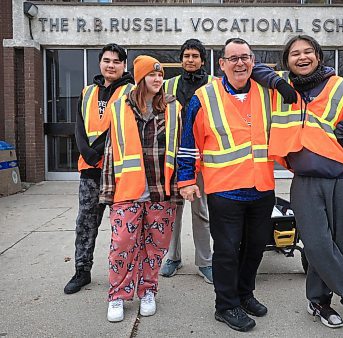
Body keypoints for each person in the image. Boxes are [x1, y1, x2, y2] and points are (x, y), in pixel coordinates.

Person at [268, 35, 343, 329]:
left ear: (319, 57)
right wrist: (277, 80)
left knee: (336, 243)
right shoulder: (281, 89)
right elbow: (256, 69)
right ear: (287, 61)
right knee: (317, 244)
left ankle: (318, 300)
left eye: (308, 51)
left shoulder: (341, 87)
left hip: (342, 178)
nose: (302, 57)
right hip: (306, 179)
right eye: (295, 53)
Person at [177, 38, 279, 332]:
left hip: (261, 188)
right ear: (221, 64)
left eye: (245, 57)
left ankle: (245, 294)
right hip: (225, 190)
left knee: (256, 247)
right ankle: (225, 305)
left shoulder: (266, 94)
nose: (239, 63)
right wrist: (186, 179)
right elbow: (188, 142)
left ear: (253, 61)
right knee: (226, 250)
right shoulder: (203, 97)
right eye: (232, 58)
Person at [99, 55, 182, 322]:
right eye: (152, 74)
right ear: (140, 78)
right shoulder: (120, 108)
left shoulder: (172, 107)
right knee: (122, 243)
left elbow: (179, 150)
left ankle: (148, 290)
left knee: (156, 247)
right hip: (128, 191)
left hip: (161, 190)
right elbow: (111, 152)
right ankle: (117, 295)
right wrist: (108, 192)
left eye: (160, 74)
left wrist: (179, 189)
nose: (158, 79)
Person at [64, 43, 134, 295]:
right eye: (107, 60)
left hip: (119, 173)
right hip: (90, 171)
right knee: (86, 224)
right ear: (100, 63)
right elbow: (79, 126)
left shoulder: (131, 92)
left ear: (124, 65)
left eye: (116, 61)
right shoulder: (87, 92)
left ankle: (122, 272)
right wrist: (88, 153)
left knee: (123, 228)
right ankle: (82, 271)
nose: (111, 65)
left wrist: (98, 151)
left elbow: (121, 127)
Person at [160, 39, 213, 284]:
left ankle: (205, 262)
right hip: (174, 156)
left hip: (201, 158)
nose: (190, 60)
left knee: (201, 212)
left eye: (194, 56)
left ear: (203, 59)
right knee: (173, 210)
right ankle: (172, 257)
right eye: (186, 56)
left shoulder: (214, 85)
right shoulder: (168, 85)